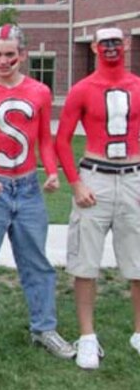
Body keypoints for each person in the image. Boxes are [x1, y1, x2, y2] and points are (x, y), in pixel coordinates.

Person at [0, 24, 75, 364]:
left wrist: (51, 171)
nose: (3, 60)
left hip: (28, 187)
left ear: (22, 55)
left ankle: (44, 327)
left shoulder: (39, 91)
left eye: (10, 54)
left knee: (37, 263)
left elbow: (45, 140)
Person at [55, 25, 140, 370]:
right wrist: (76, 184)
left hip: (133, 175)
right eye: (104, 43)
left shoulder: (137, 86)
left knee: (138, 263)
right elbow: (61, 140)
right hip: (95, 176)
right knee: (85, 262)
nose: (110, 48)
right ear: (93, 47)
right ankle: (87, 336)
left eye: (115, 42)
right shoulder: (82, 89)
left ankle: (138, 331)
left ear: (127, 43)